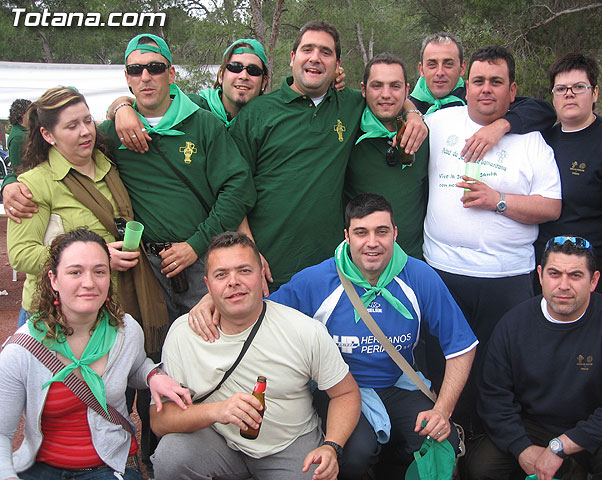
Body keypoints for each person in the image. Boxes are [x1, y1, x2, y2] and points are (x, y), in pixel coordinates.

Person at [189, 194, 477, 478]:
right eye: (361, 232)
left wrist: (443, 409)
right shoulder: (318, 280)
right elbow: (261, 310)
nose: (372, 242)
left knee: (440, 440)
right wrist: (214, 299)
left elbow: (462, 345)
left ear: (395, 234)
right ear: (347, 236)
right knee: (355, 453)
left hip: (398, 383)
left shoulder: (419, 277)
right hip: (339, 389)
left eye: (382, 231)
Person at [3, 34, 256, 324]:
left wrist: (195, 244)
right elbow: (52, 156)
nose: (146, 76)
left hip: (198, 260)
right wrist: (9, 182)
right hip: (143, 267)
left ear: (171, 73)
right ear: (127, 77)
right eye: (136, 70)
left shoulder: (204, 125)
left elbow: (238, 189)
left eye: (156, 68)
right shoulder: (109, 134)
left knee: (209, 337)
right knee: (151, 342)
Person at [422, 45, 562, 435]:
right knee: (441, 371)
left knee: (499, 372)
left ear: (512, 91)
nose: (486, 89)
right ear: (466, 86)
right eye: (479, 81)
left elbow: (550, 206)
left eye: (496, 82)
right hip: (443, 273)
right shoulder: (439, 123)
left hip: (508, 279)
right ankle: (446, 448)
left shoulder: (532, 139)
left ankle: (493, 450)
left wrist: (497, 200)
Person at [230, 20, 427, 291]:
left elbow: (386, 92)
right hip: (267, 268)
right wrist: (247, 250)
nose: (315, 58)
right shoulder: (257, 113)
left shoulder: (350, 104)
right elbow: (231, 188)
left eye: (325, 52)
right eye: (307, 49)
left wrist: (414, 113)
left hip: (333, 272)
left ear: (337, 65)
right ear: (292, 58)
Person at [149, 231, 361, 480]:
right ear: (208, 285)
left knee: (316, 474)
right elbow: (160, 420)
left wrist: (332, 446)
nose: (233, 281)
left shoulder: (303, 330)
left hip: (289, 443)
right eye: (221, 275)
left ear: (262, 275)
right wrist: (218, 411)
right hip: (217, 441)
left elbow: (346, 393)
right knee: (171, 456)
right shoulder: (184, 333)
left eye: (244, 271)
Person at [0, 228, 191, 480]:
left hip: (108, 467)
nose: (89, 282)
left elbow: (135, 368)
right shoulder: (21, 350)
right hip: (41, 469)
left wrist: (152, 375)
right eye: (75, 272)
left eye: (99, 271)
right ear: (53, 279)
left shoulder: (126, 331)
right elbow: (2, 433)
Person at [467, 235, 602, 480]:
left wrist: (562, 446)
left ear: (594, 280)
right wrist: (522, 448)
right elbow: (494, 398)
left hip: (598, 428)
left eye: (576, 275)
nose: (564, 285)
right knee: (482, 467)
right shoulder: (513, 324)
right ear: (540, 275)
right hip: (535, 426)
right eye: (555, 273)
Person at [6, 86, 167, 343]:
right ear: (48, 135)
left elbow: (124, 106)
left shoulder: (109, 164)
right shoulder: (35, 184)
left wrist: (123, 104)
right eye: (71, 126)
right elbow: (21, 255)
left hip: (110, 308)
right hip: (55, 317)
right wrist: (98, 258)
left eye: (87, 120)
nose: (85, 132)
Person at [535, 53, 602, 315]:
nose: (569, 94)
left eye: (578, 87)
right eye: (561, 89)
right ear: (553, 96)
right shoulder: (540, 141)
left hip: (594, 276)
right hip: (544, 272)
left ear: (594, 93)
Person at [409, 32, 557, 162]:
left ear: (462, 68)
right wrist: (411, 112)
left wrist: (502, 125)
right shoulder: (410, 103)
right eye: (432, 64)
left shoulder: (476, 100)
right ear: (421, 69)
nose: (440, 72)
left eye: (448, 64)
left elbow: (543, 111)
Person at [110, 37, 270, 154]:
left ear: (264, 82)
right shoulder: (194, 107)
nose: (243, 75)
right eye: (235, 67)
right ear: (221, 75)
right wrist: (122, 106)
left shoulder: (270, 121)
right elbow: (153, 104)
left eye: (253, 71)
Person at [344, 54, 428, 259]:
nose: (386, 94)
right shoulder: (347, 129)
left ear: (407, 90)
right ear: (363, 90)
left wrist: (414, 115)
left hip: (412, 261)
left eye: (395, 86)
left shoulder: (424, 134)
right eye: (377, 86)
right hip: (361, 263)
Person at [1, 99, 33, 220]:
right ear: (22, 114)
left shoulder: (24, 131)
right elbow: (17, 167)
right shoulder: (18, 136)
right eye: (31, 111)